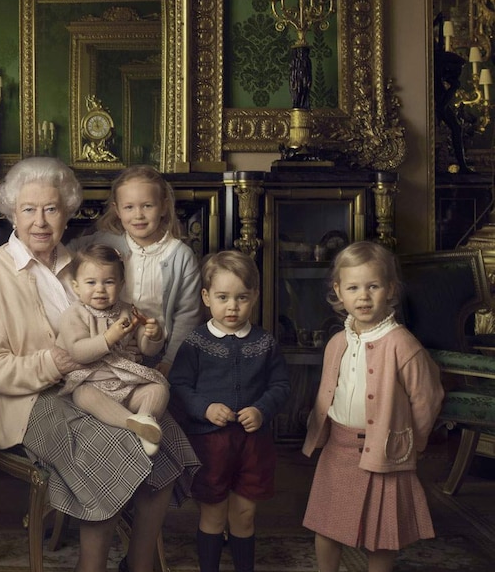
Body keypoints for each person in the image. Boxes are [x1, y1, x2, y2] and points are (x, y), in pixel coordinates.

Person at [0, 156, 200, 572]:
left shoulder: (80, 265)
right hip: (26, 400)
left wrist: (142, 334)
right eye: (29, 210)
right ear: (11, 214)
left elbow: (111, 336)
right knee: (109, 449)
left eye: (51, 209)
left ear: (67, 213)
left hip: (96, 384)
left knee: (166, 439)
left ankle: (140, 562)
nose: (40, 221)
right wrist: (48, 363)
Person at [302, 241, 444, 572]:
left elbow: (428, 397)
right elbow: (328, 392)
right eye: (353, 287)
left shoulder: (402, 343)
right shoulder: (337, 342)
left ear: (391, 289)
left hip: (384, 453)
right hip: (338, 448)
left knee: (381, 535)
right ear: (339, 291)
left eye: (373, 286)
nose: (363, 296)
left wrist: (413, 443)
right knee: (326, 525)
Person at [168, 250, 290, 572]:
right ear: (206, 297)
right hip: (210, 445)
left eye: (242, 297)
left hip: (253, 445)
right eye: (223, 297)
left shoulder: (266, 343)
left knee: (245, 514)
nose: (232, 306)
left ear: (255, 297)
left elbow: (280, 386)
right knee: (212, 514)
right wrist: (205, 408)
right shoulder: (195, 342)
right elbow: (178, 386)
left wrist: (262, 410)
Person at [70, 165, 202, 377]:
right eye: (129, 207)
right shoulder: (106, 242)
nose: (138, 215)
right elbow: (68, 253)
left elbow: (187, 316)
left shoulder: (180, 256)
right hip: (109, 344)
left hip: (158, 350)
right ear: (117, 209)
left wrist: (170, 360)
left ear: (163, 206)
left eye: (147, 206)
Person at [58, 243, 170, 456]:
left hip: (127, 383)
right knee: (82, 395)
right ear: (76, 286)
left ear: (121, 284)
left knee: (158, 389)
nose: (100, 289)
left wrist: (153, 336)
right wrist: (108, 338)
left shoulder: (129, 311)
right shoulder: (73, 315)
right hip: (92, 381)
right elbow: (77, 352)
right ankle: (133, 424)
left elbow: (147, 351)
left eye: (108, 282)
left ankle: (146, 418)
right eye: (91, 282)